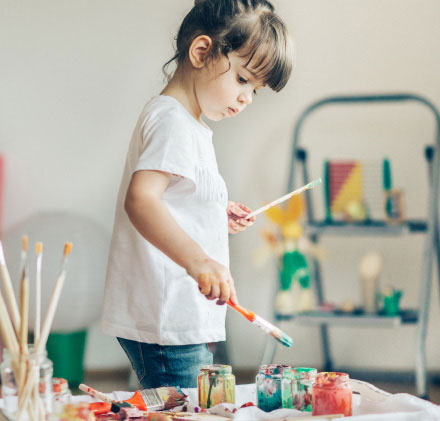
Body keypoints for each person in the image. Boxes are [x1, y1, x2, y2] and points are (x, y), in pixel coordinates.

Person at [101, 0, 293, 389]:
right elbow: (142, 200)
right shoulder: (172, 120)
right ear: (202, 51)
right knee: (183, 410)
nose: (246, 99)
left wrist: (215, 212)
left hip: (180, 313)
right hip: (168, 317)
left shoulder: (188, 124)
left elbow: (173, 198)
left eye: (255, 90)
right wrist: (200, 261)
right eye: (242, 80)